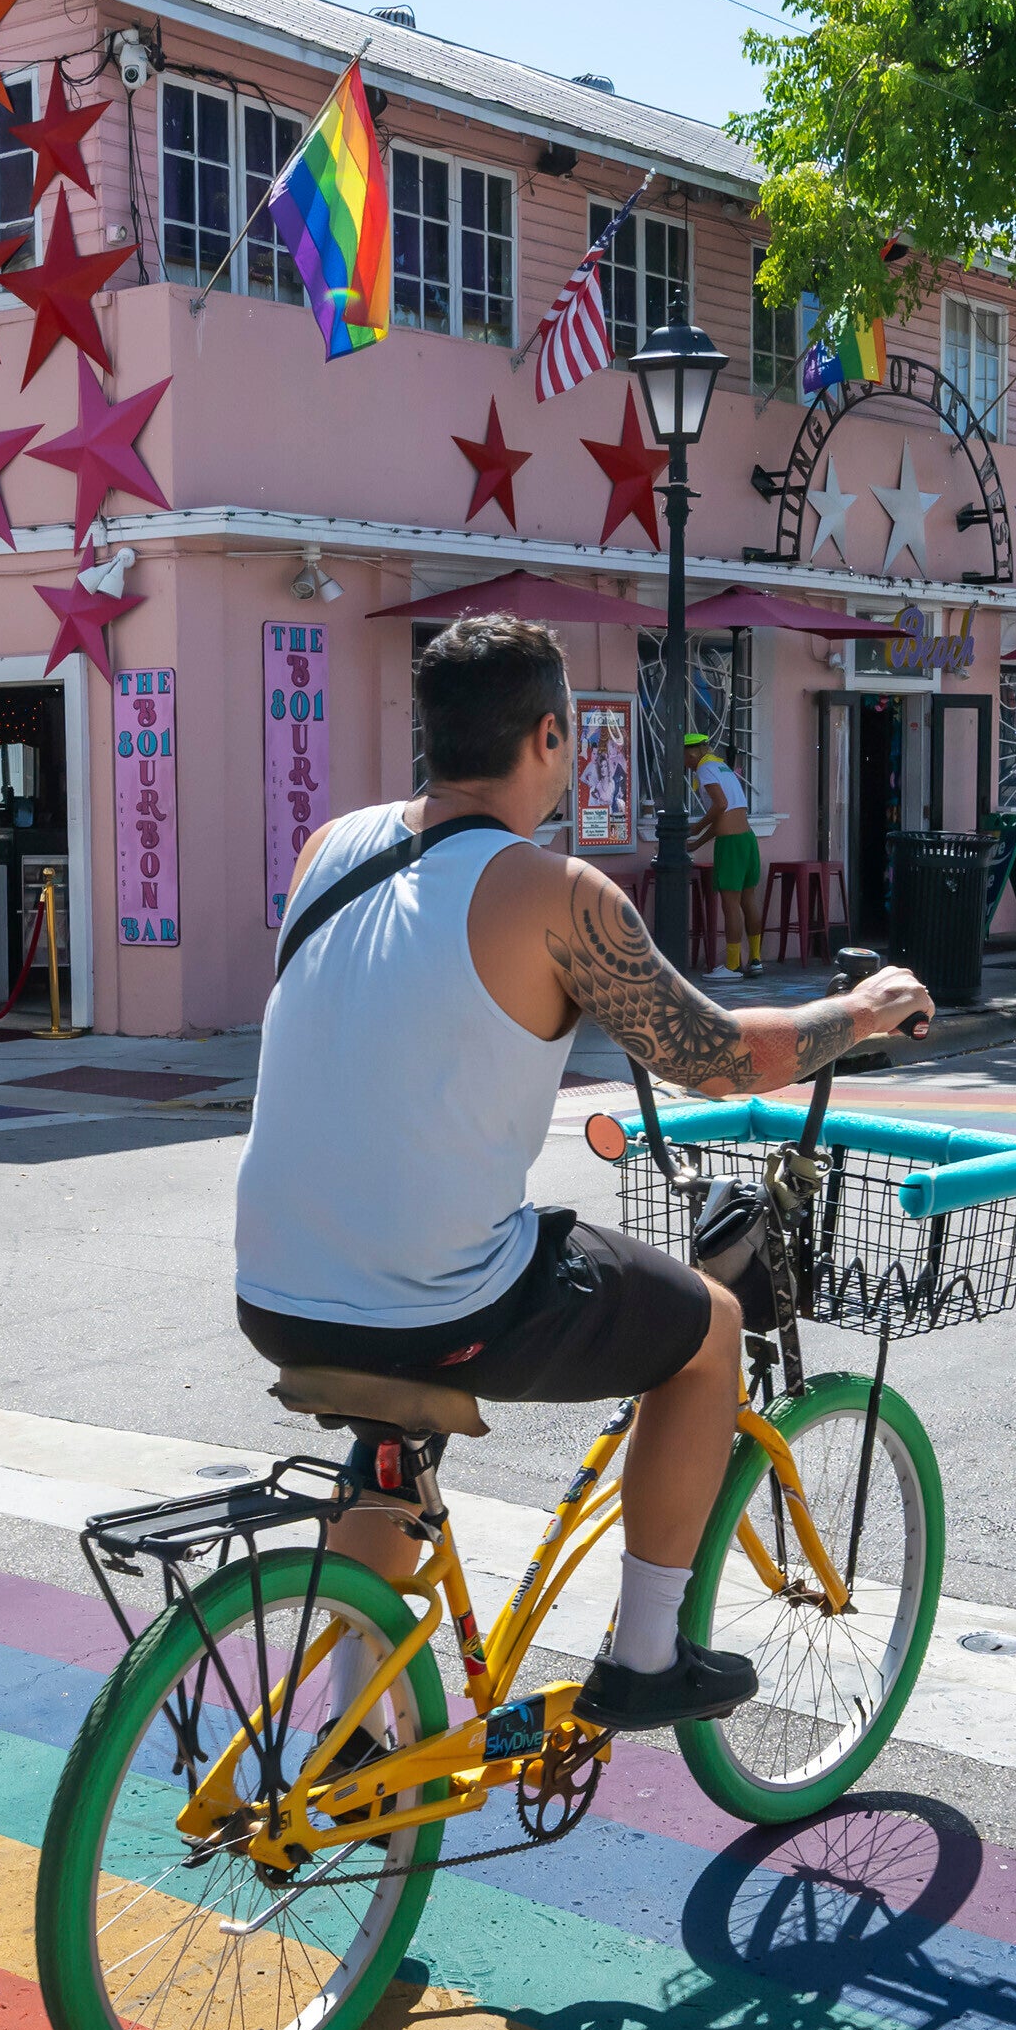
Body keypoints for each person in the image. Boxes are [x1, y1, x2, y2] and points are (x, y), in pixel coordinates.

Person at [233, 615, 933, 1732]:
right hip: (445, 1300)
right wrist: (858, 1011)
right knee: (706, 1330)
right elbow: (719, 1056)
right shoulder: (560, 896)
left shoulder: (330, 849)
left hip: (275, 1292)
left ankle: (349, 1727)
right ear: (553, 735)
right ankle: (648, 1656)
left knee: (389, 1446)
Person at [689, 727, 763, 976]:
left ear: (694, 752)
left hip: (730, 845)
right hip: (747, 839)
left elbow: (720, 805)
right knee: (748, 901)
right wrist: (698, 842)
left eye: (685, 756)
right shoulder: (721, 766)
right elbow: (727, 816)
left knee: (730, 905)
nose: (685, 763)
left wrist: (696, 827)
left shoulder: (705, 768)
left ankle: (732, 966)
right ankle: (755, 959)